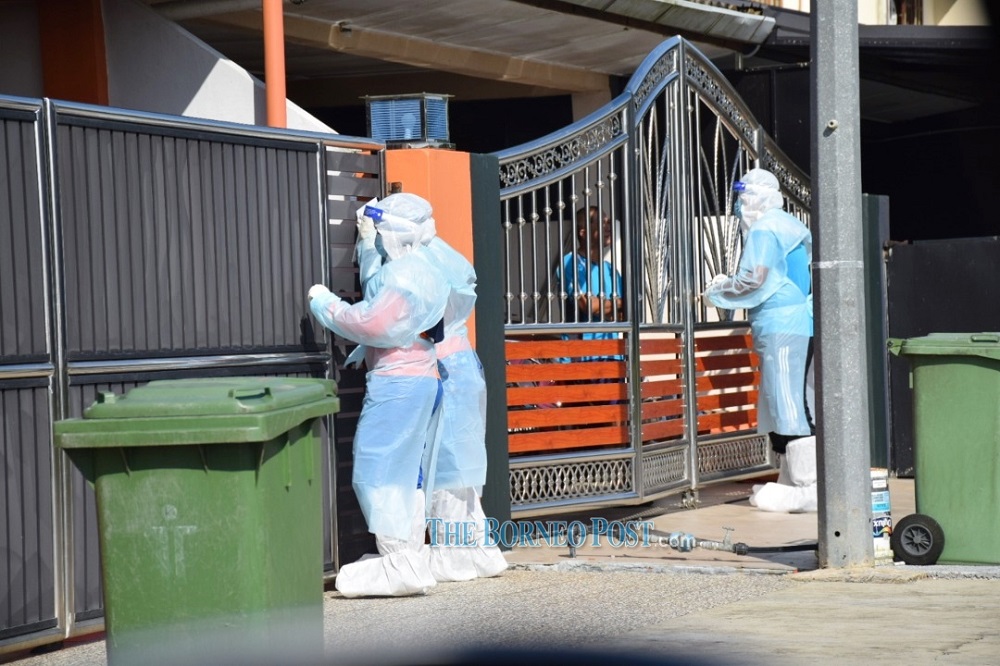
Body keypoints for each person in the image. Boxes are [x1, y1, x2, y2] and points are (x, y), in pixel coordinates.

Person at [354, 193, 506, 582]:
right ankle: (477, 553)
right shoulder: (441, 253)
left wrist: (368, 251)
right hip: (461, 364)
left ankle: (454, 560)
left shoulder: (414, 262)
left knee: (446, 478)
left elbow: (382, 304)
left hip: (442, 368)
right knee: (461, 482)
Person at [308, 193, 450, 597]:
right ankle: (407, 557)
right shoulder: (425, 267)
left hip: (397, 386)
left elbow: (372, 320)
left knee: (377, 473)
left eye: (379, 230)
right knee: (407, 475)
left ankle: (400, 565)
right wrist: (369, 243)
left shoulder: (402, 277)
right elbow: (387, 300)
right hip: (422, 377)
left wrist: (326, 304)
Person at [702, 168, 815, 459]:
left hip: (782, 328)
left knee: (787, 407)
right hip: (801, 325)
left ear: (757, 198)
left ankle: (808, 484)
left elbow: (753, 279)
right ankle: (796, 480)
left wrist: (716, 291)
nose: (740, 204)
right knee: (799, 400)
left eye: (743, 196)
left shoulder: (765, 229)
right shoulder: (791, 224)